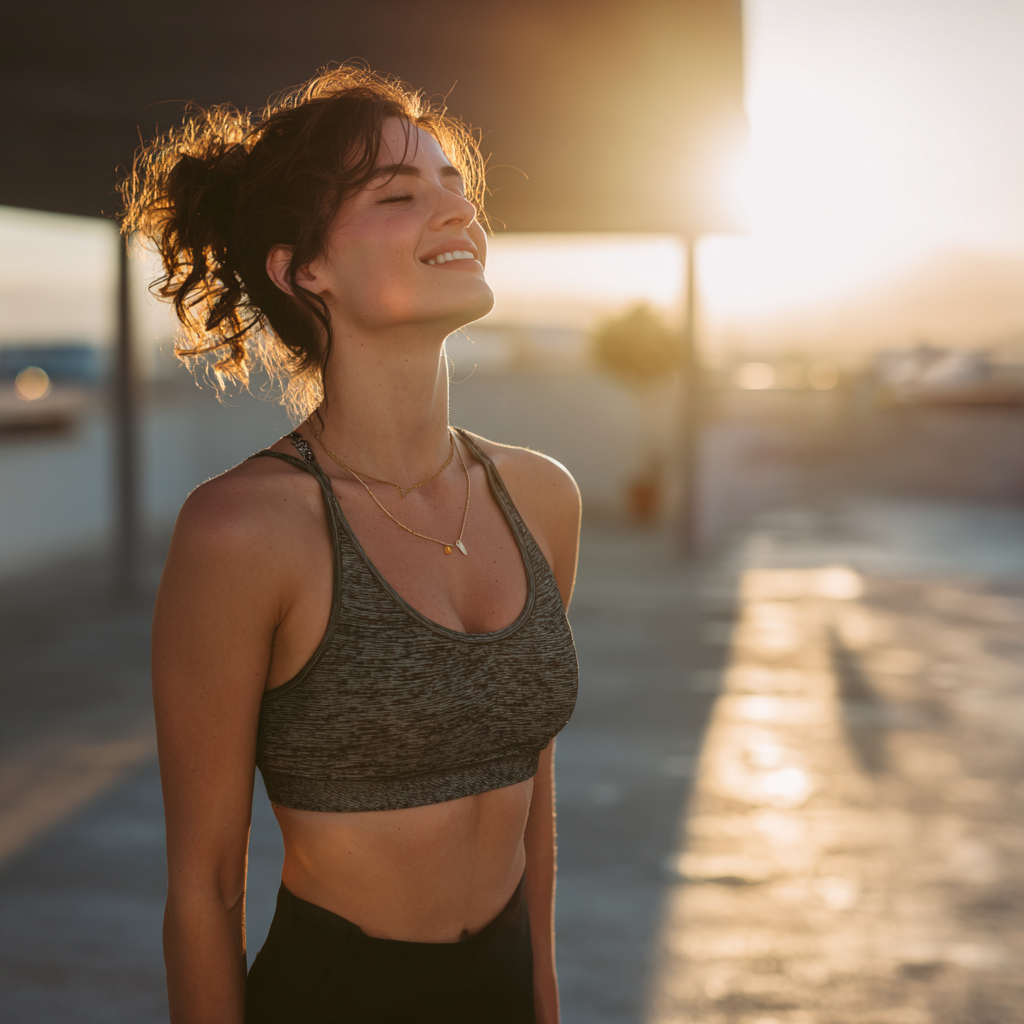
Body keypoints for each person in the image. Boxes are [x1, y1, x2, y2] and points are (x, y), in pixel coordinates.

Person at [122, 66, 580, 1024]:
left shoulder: (540, 498)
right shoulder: (244, 530)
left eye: (454, 183)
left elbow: (529, 777)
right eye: (400, 194)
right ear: (304, 270)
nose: (454, 209)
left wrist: (541, 996)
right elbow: (205, 886)